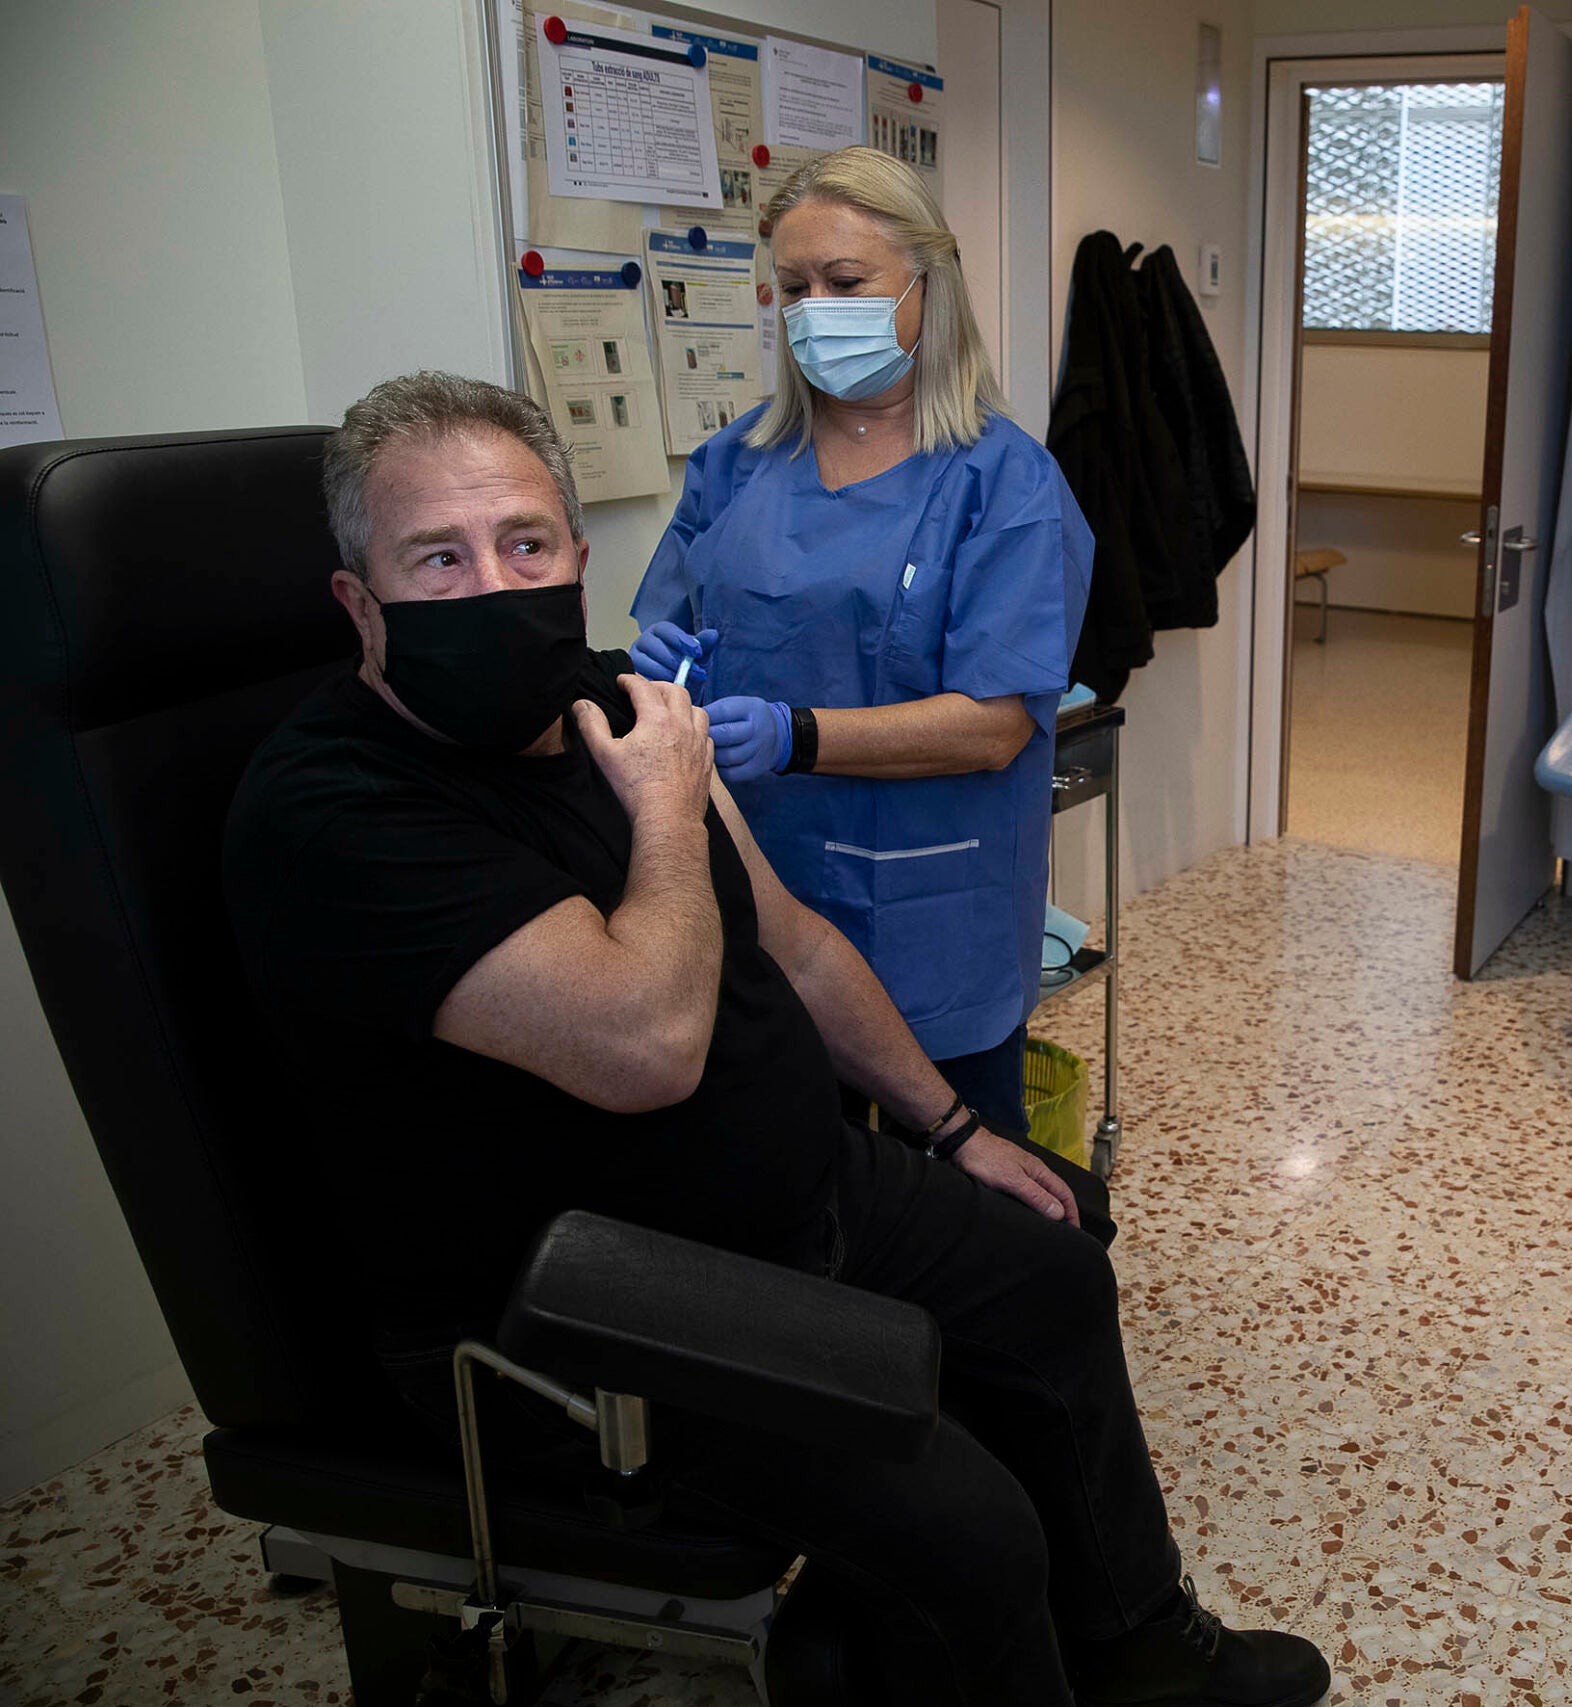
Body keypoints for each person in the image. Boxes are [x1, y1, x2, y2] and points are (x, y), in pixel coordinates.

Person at [223, 371, 1327, 1707]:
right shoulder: (334, 810)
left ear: (580, 558)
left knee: (1054, 1273)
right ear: (361, 601)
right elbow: (649, 1042)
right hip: (587, 1302)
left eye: (524, 543)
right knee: (971, 1530)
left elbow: (794, 941)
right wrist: (661, 814)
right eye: (436, 560)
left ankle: (1142, 1642)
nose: (495, 584)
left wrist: (954, 1124)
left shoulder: (616, 705)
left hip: (797, 1189)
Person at [627, 146, 1088, 1145]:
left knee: (968, 1170)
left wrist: (796, 734)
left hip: (932, 895)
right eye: (793, 287)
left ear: (926, 282)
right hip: (758, 879)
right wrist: (656, 667)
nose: (813, 309)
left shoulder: (1002, 483)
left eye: (845, 282)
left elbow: (998, 725)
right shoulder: (737, 462)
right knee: (788, 1163)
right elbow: (670, 624)